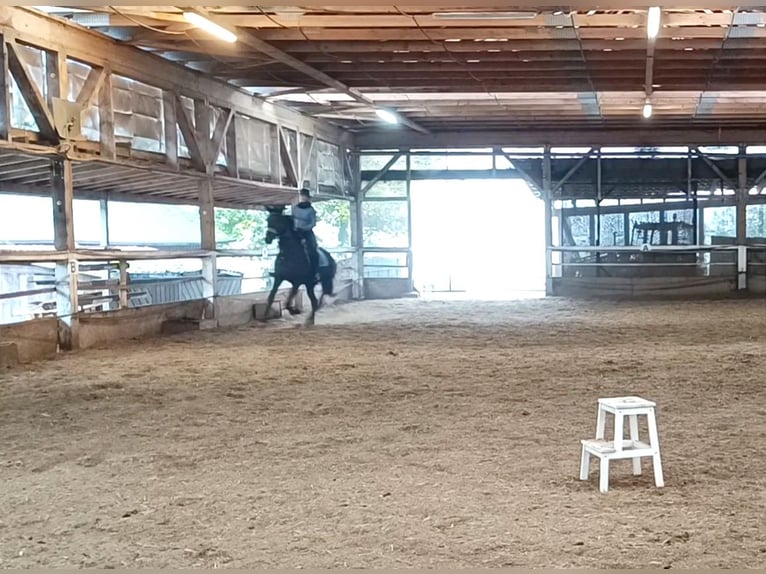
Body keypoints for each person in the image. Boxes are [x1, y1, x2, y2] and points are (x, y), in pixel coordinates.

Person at [291, 188, 319, 278]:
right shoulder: (295, 208)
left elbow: (313, 223)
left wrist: (304, 228)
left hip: (307, 232)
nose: (303, 198)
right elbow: (292, 220)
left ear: (308, 198)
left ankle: (315, 270)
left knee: (313, 248)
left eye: (305, 196)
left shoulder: (311, 210)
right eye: (302, 196)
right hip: (296, 231)